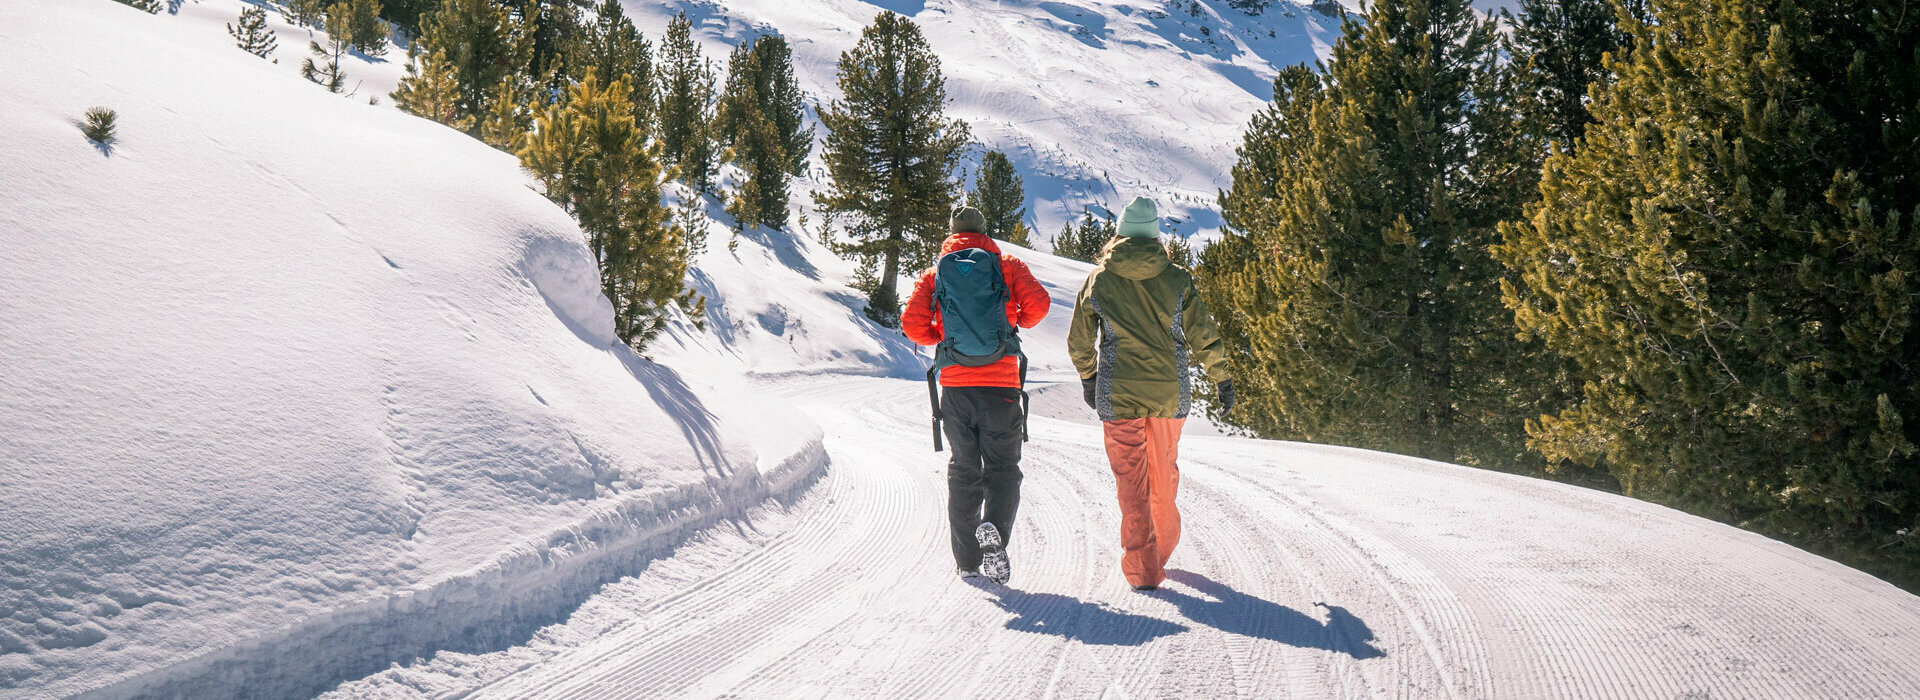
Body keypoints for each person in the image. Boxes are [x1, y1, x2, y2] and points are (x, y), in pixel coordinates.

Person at [1067, 196, 1234, 591]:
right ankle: (1162, 552)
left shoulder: (1099, 279)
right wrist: (1221, 378)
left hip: (1118, 394)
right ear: (1156, 237)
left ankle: (1143, 569)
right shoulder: (1177, 279)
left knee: (1131, 483)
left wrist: (1090, 379)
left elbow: (1079, 339)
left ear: (1120, 234)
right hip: (1168, 395)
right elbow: (1202, 335)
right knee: (1163, 477)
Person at [902, 206, 1051, 584]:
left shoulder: (936, 274)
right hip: (1000, 385)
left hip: (955, 388)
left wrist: (943, 341)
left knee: (963, 469)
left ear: (951, 233)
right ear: (985, 231)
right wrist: (1012, 326)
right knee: (1003, 469)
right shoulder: (1006, 264)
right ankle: (995, 531)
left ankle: (967, 561)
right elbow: (1039, 305)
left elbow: (912, 325)